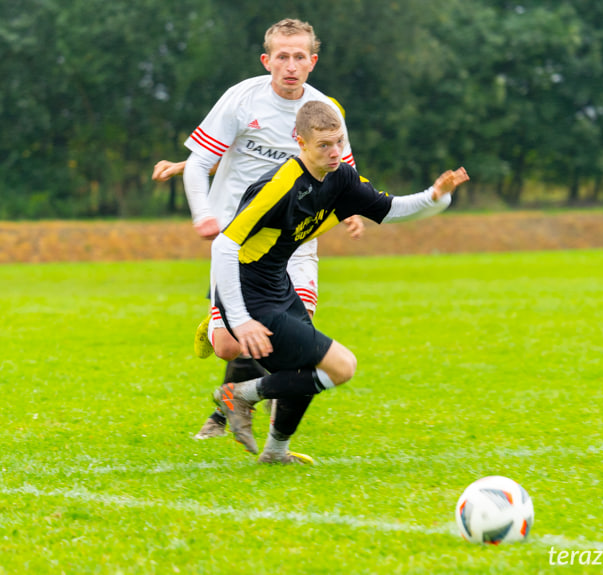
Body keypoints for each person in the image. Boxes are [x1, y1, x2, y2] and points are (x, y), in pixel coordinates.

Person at [210, 100, 469, 463]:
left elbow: (388, 208)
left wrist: (435, 197)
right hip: (247, 290)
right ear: (299, 142)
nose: (335, 153)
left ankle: (275, 453)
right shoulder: (280, 186)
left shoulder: (341, 177)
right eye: (324, 145)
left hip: (276, 283)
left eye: (339, 143)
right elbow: (224, 245)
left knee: (303, 372)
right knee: (340, 366)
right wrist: (238, 319)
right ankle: (239, 395)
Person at [152, 18, 363, 440]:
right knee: (232, 344)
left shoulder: (323, 110)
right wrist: (197, 194)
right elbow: (209, 155)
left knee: (293, 340)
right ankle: (227, 380)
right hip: (241, 236)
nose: (290, 65)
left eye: (299, 56)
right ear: (267, 60)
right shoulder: (241, 99)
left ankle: (254, 422)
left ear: (312, 61)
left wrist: (353, 209)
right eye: (282, 56)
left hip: (296, 239)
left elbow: (341, 168)